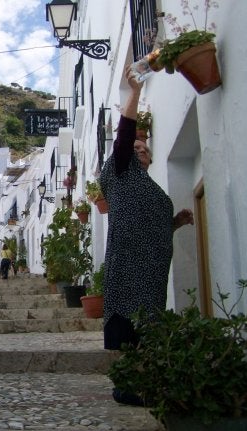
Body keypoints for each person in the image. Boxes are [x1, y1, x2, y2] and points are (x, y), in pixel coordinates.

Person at [99, 66, 194, 406]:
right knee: (129, 319)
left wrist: (175, 223)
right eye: (135, 146)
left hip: (151, 265)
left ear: (150, 158)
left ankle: (139, 382)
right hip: (130, 262)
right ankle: (126, 385)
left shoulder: (145, 184)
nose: (139, 149)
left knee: (148, 320)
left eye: (144, 148)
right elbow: (125, 134)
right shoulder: (119, 171)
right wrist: (135, 92)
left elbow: (147, 223)